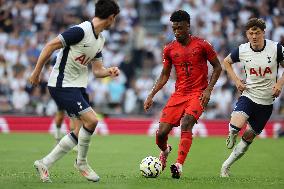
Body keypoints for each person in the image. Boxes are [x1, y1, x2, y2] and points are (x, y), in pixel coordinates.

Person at [29, 0, 120, 183]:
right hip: (61, 84)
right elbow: (50, 46)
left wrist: (108, 71)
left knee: (79, 131)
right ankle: (82, 163)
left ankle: (44, 163)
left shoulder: (100, 38)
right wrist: (36, 71)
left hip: (77, 86)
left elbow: (97, 70)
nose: (115, 21)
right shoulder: (80, 31)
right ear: (111, 17)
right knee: (92, 120)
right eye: (115, 18)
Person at [144, 10, 222, 179]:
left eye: (180, 28)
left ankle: (178, 165)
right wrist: (151, 95)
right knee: (161, 133)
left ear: (188, 25)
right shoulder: (169, 49)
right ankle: (165, 150)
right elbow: (164, 75)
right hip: (179, 94)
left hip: (198, 93)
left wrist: (208, 90)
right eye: (174, 28)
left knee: (187, 123)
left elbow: (218, 66)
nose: (177, 31)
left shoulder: (202, 44)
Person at [220, 18, 284, 177]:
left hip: (267, 102)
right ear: (247, 34)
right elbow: (226, 62)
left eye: (257, 33)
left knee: (249, 137)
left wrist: (279, 84)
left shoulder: (276, 48)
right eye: (251, 33)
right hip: (248, 95)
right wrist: (236, 81)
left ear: (263, 33)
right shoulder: (242, 50)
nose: (254, 36)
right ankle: (232, 134)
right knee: (236, 126)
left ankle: (226, 166)